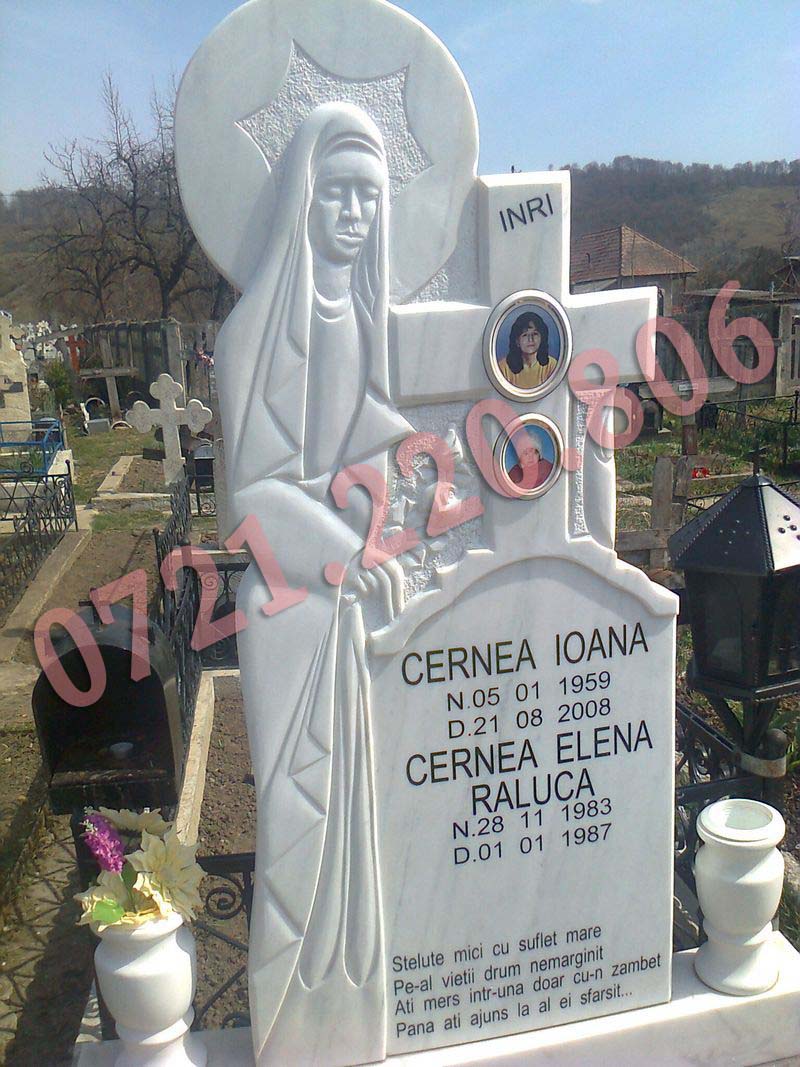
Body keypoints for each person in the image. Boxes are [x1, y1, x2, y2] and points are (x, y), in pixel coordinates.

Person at [215, 102, 411, 1066]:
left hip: (348, 606)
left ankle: (348, 997)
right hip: (292, 611)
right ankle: (299, 1021)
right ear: (302, 198)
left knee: (356, 830)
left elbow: (360, 424)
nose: (354, 215)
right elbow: (252, 495)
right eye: (336, 194)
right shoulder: (254, 336)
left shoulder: (360, 319)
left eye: (370, 198)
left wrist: (414, 456)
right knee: (304, 820)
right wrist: (348, 552)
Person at [497, 310, 558, 390]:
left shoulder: (551, 365)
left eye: (535, 334)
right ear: (517, 341)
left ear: (542, 337)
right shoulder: (503, 367)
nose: (530, 339)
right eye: (525, 335)